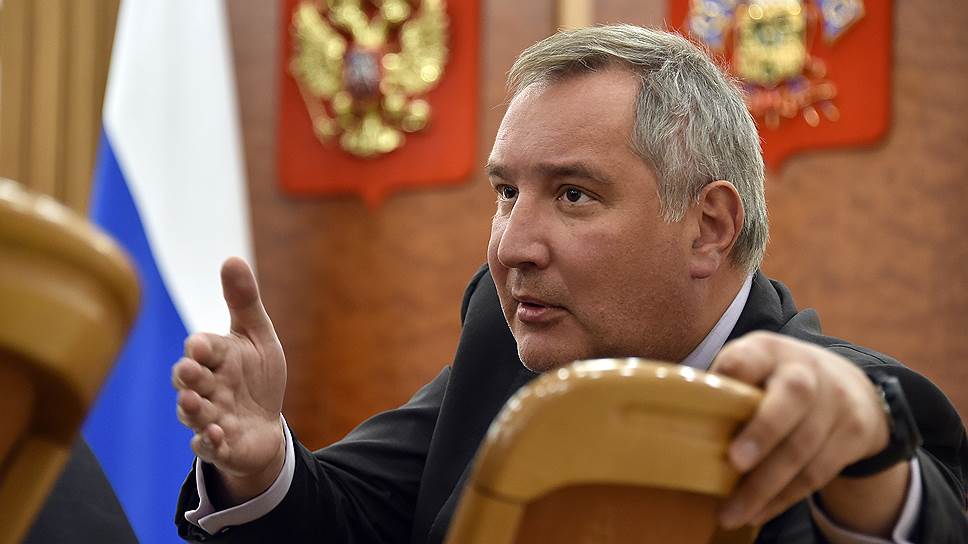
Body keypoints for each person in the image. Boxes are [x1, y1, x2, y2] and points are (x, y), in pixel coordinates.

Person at [173, 25, 967, 543]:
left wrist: (872, 468)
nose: (512, 246)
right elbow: (355, 517)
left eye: (574, 195)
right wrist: (260, 462)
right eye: (506, 192)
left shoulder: (850, 415)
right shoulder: (511, 334)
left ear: (709, 226)